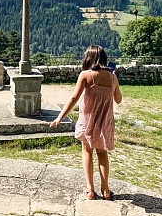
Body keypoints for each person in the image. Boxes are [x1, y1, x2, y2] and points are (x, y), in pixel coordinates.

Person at [49, 45, 122, 200]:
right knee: (102, 153)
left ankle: (90, 190)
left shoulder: (86, 75)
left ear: (88, 58)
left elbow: (74, 98)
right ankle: (106, 190)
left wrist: (59, 117)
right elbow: (119, 99)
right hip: (105, 121)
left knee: (87, 151)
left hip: (88, 120)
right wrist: (114, 81)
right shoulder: (112, 77)